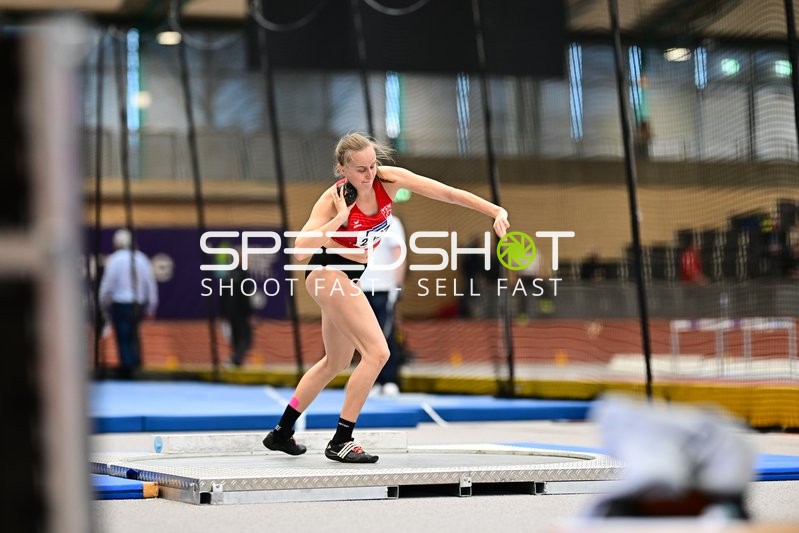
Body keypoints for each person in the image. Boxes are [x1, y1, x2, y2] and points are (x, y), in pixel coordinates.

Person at [263, 133, 510, 463]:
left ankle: (282, 432)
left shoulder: (389, 180)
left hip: (344, 277)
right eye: (361, 169)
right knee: (378, 353)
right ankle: (342, 440)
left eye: (373, 165)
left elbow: (447, 193)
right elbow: (298, 252)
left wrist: (493, 210)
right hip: (326, 273)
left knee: (335, 362)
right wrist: (339, 218)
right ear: (342, 170)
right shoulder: (331, 199)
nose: (369, 175)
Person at [99, 229, 158, 379]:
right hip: (138, 304)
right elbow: (150, 284)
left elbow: (108, 284)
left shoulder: (115, 260)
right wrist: (151, 305)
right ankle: (135, 364)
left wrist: (103, 303)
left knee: (123, 336)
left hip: (121, 303)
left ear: (116, 244)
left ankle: (128, 368)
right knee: (133, 335)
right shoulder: (141, 259)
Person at [359, 215, 406, 396]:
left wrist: (397, 285)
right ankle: (372, 380)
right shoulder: (358, 221)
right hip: (361, 289)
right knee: (365, 338)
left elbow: (398, 255)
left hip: (383, 288)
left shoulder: (392, 223)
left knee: (385, 334)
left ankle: (389, 379)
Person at [219, 257, 254, 368]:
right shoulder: (243, 275)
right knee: (246, 338)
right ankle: (236, 359)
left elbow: (222, 297)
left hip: (230, 313)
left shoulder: (226, 276)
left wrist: (224, 313)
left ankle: (236, 360)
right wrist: (249, 313)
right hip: (241, 313)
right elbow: (245, 296)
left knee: (236, 337)